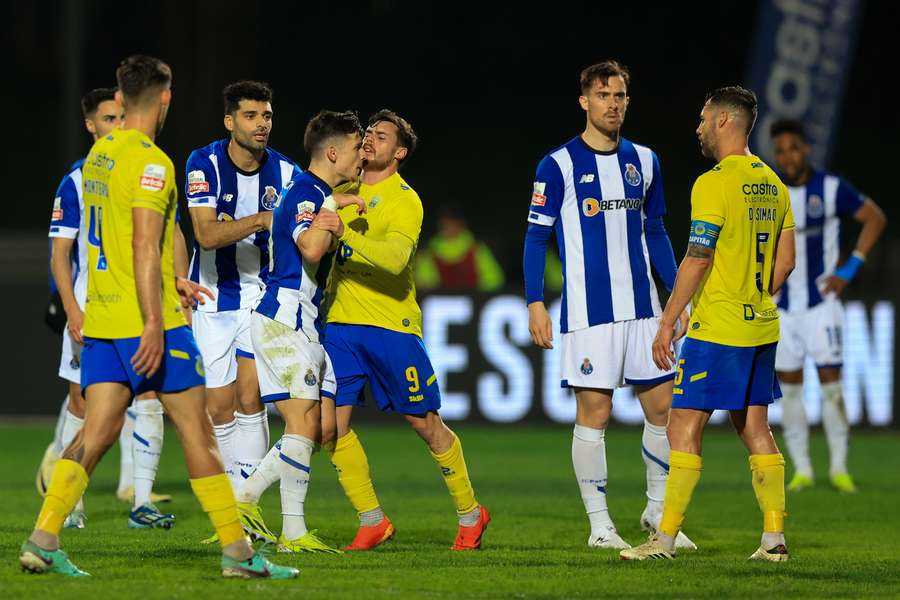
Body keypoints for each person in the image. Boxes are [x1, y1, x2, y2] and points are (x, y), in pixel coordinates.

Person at [18, 55, 296, 579]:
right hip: (151, 325)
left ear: (120, 100)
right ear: (164, 99)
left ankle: (42, 538)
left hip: (102, 323)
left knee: (94, 435)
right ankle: (239, 555)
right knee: (198, 434)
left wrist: (174, 280)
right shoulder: (153, 163)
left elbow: (118, 242)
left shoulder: (99, 157)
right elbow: (146, 247)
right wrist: (154, 317)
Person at [523, 60, 694, 550]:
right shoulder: (556, 166)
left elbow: (657, 230)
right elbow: (536, 238)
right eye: (603, 95)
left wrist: (674, 297)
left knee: (665, 410)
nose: (613, 105)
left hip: (645, 311)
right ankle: (600, 525)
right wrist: (535, 302)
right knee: (593, 414)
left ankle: (659, 516)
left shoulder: (646, 159)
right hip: (590, 316)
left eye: (620, 96)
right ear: (584, 101)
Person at [621, 86, 796, 561]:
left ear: (723, 121)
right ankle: (773, 539)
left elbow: (698, 257)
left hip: (717, 329)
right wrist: (753, 297)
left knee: (682, 428)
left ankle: (663, 541)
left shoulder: (714, 182)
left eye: (702, 119)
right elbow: (786, 263)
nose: (697, 127)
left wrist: (668, 320)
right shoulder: (774, 185)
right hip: (761, 325)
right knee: (755, 428)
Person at [315, 109, 490, 551]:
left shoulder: (405, 199)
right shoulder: (341, 190)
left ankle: (471, 513)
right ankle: (372, 519)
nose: (371, 139)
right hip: (339, 325)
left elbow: (394, 261)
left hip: (391, 326)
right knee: (327, 428)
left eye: (382, 135)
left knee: (424, 422)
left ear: (400, 152)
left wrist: (344, 233)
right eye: (369, 132)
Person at [38, 87, 176, 530]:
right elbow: (61, 255)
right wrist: (71, 311)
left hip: (137, 306)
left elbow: (160, 238)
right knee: (83, 407)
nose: (117, 125)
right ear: (90, 125)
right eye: (108, 119)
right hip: (93, 307)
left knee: (150, 396)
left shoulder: (143, 167)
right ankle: (67, 503)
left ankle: (140, 499)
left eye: (121, 117)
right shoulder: (76, 180)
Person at [237, 110, 366, 554]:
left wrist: (337, 203)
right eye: (354, 150)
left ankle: (289, 530)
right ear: (332, 152)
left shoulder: (313, 192)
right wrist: (332, 210)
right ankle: (246, 502)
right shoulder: (311, 193)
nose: (360, 159)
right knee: (302, 426)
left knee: (313, 428)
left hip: (300, 322)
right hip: (284, 320)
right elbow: (310, 245)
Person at [184, 80, 300, 543]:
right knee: (218, 408)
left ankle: (246, 512)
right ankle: (236, 510)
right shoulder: (203, 163)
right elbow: (207, 236)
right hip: (211, 299)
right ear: (230, 122)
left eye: (267, 116)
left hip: (260, 297)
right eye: (251, 116)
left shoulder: (287, 173)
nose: (262, 125)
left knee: (251, 397)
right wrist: (261, 221)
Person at [769, 119, 887, 493]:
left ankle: (838, 467)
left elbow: (875, 219)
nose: (788, 156)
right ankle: (802, 468)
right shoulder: (769, 191)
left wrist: (849, 269)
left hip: (823, 304)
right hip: (782, 306)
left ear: (806, 150)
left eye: (794, 148)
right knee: (789, 388)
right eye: (781, 150)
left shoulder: (831, 188)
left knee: (832, 387)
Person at [415, 204, 505, 291]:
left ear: (462, 224)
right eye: (446, 224)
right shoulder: (428, 252)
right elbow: (424, 283)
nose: (450, 228)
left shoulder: (477, 248)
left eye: (453, 224)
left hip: (475, 302)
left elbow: (495, 280)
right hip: (442, 303)